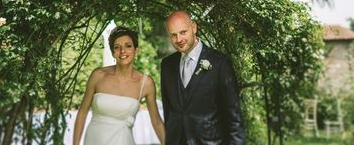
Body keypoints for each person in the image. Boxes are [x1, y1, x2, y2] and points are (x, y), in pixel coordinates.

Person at [161, 10, 245, 144]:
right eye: (173, 35)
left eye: (183, 32)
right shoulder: (167, 65)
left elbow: (234, 116)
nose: (179, 40)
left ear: (194, 27)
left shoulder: (220, 63)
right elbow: (168, 111)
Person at [73, 26, 166, 145]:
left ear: (136, 51)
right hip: (94, 139)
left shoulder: (146, 83)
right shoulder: (98, 75)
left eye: (128, 46)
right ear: (113, 53)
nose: (123, 51)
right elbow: (82, 113)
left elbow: (156, 121)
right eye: (117, 47)